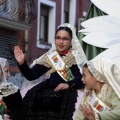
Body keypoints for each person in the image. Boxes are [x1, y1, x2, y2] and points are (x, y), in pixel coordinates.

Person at [12, 23, 87, 120]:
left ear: (70, 41)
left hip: (68, 91)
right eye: (58, 38)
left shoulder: (76, 58)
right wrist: (22, 63)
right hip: (46, 90)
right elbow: (32, 75)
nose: (61, 42)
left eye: (65, 39)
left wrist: (68, 84)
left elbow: (82, 79)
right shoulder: (49, 57)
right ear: (55, 39)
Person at [74, 53, 120, 120]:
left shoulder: (111, 92)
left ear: (96, 76)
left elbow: (118, 112)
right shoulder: (88, 94)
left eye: (84, 75)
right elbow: (79, 117)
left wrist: (97, 117)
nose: (82, 79)